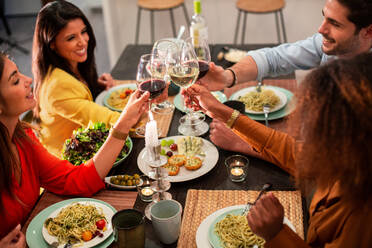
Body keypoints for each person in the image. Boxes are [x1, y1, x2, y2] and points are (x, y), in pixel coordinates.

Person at [183, 52, 372, 247]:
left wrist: (277, 233)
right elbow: (291, 151)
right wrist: (219, 110)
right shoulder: (353, 160)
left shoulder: (362, 216)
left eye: (321, 120)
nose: (309, 126)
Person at [0, 52, 149, 245]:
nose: (28, 79)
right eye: (15, 80)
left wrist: (124, 123)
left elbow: (76, 180)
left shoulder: (23, 138)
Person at [201, 0, 372, 156]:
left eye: (335, 23)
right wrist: (227, 76)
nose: (321, 29)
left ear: (368, 31)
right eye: (325, 17)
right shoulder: (336, 45)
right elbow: (275, 58)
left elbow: (325, 160)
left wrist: (244, 143)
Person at [32, 1, 160, 157]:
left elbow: (78, 102)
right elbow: (112, 121)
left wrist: (94, 86)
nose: (83, 41)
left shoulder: (67, 67)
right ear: (52, 44)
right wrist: (145, 103)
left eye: (84, 31)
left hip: (84, 144)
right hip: (68, 164)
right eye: (71, 38)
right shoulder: (57, 86)